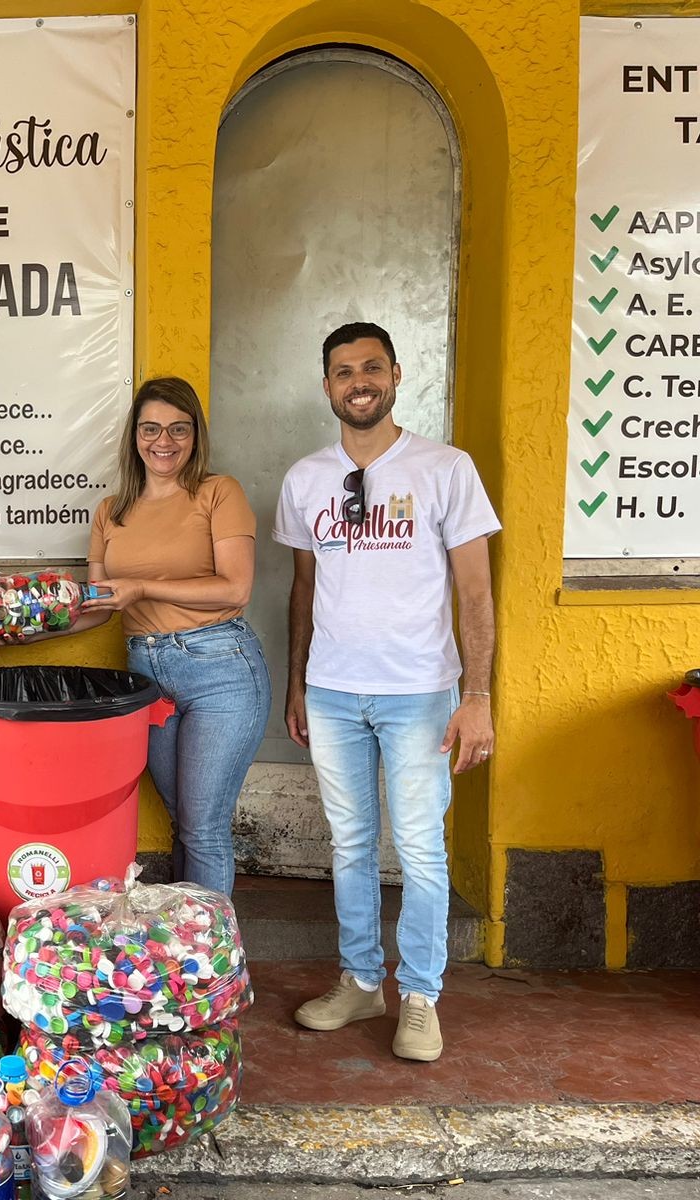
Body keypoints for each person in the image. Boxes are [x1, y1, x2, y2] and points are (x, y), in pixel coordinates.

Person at [275, 321, 498, 1063]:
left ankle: (422, 995)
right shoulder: (307, 478)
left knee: (422, 851)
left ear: (397, 376)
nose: (358, 381)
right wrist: (297, 684)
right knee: (350, 846)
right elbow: (302, 592)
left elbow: (475, 589)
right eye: (343, 370)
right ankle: (362, 980)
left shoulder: (445, 468)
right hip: (334, 691)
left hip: (421, 694)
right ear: (328, 384)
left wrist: (479, 696)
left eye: (372, 367)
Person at [78, 376, 270, 897]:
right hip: (146, 674)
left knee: (203, 828)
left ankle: (212, 968)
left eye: (178, 429)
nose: (164, 442)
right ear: (134, 435)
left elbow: (236, 587)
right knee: (185, 819)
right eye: (151, 429)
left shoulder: (217, 492)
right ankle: (185, 952)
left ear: (195, 434)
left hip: (219, 666)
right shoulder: (110, 510)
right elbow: (98, 607)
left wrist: (141, 586)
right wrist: (18, 630)